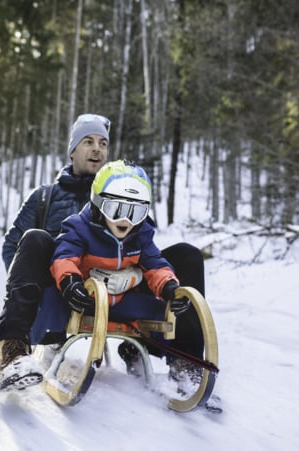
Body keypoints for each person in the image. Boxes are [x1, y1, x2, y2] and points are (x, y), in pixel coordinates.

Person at [0, 114, 205, 391]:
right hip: (66, 289)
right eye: (88, 141)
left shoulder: (124, 192)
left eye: (102, 143)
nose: (97, 149)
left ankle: (186, 364)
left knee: (187, 255)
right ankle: (13, 352)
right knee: (35, 239)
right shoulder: (44, 197)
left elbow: (148, 253)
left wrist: (137, 275)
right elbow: (13, 247)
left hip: (122, 289)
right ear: (72, 150)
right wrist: (35, 286)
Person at [32, 161, 203, 391]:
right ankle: (48, 344)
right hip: (87, 300)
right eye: (117, 210)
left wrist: (169, 287)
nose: (126, 220)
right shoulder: (79, 228)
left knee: (170, 309)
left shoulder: (140, 235)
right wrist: (71, 282)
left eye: (136, 212)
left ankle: (182, 364)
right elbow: (64, 257)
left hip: (124, 302)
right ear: (100, 205)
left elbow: (155, 264)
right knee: (50, 295)